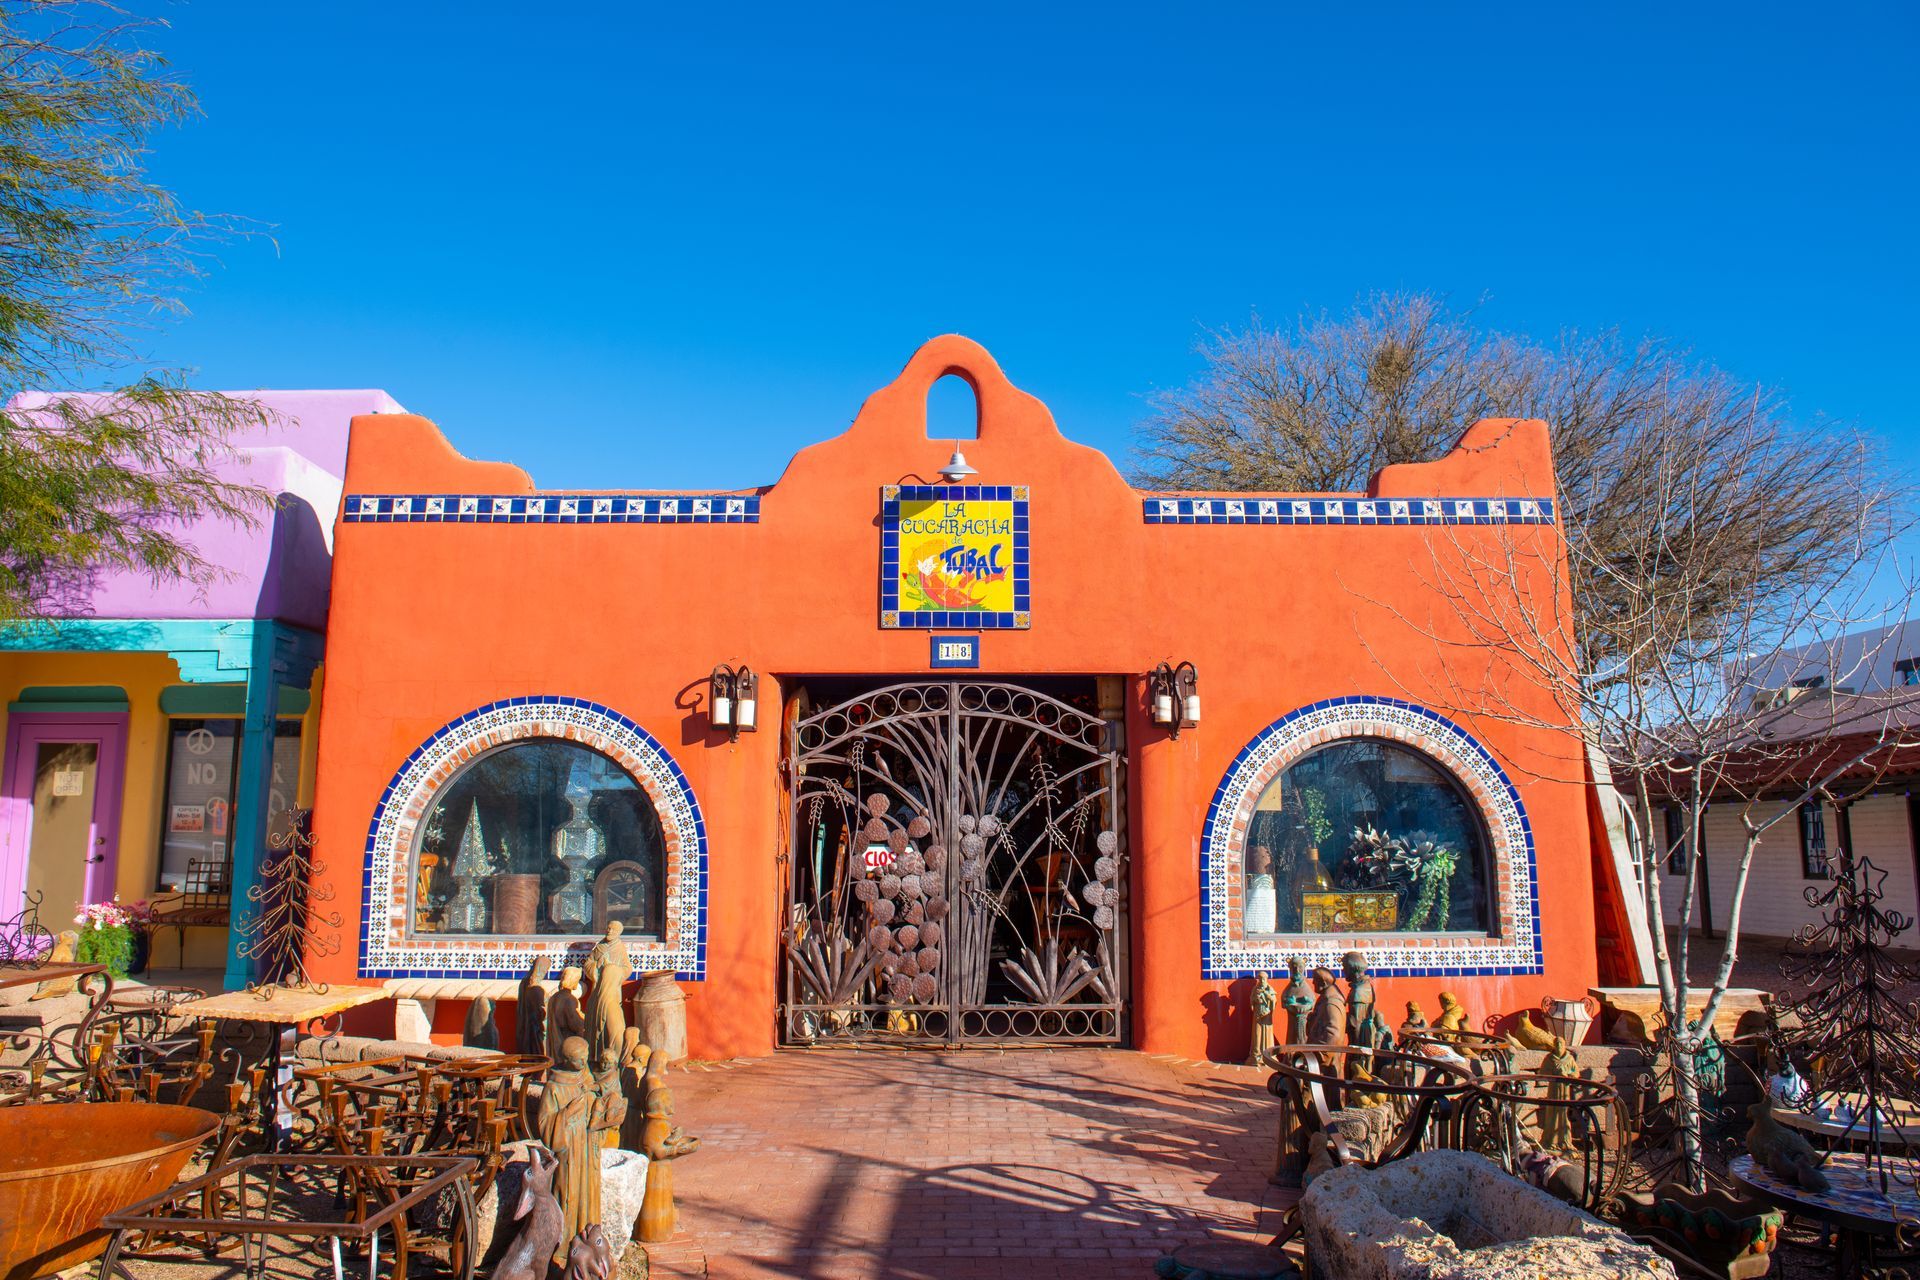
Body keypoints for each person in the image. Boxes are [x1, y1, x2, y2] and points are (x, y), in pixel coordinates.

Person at [536, 1036, 627, 1256]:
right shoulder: (554, 1087)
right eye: (579, 1060)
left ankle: (591, 1240)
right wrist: (567, 1115)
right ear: (567, 1060)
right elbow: (544, 1125)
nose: (585, 1062)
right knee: (568, 1193)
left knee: (590, 1194)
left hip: (589, 1146)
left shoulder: (586, 1076)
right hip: (570, 1153)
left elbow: (604, 1093)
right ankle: (563, 1249)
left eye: (585, 1057)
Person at [583, 922, 631, 1065]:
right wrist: (597, 967)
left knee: (610, 1019)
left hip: (612, 988)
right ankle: (595, 1054)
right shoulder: (600, 946)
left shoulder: (620, 948)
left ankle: (609, 1056)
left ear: (618, 932)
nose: (609, 931)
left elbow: (627, 968)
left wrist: (612, 970)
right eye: (608, 928)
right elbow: (588, 963)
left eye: (613, 929)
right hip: (598, 988)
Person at [1342, 951, 1393, 1051]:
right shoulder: (1366, 985)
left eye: (1344, 967)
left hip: (1361, 1038)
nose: (1343, 970)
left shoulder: (1358, 991)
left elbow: (1355, 1023)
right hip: (1366, 1033)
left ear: (1351, 968)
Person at [1245, 972, 1276, 1067]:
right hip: (1258, 1014)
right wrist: (1255, 1000)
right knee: (1257, 1033)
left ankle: (1267, 1054)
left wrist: (1268, 996)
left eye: (1264, 979)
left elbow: (1274, 1000)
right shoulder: (1256, 989)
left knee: (1266, 1033)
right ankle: (1256, 1054)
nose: (1262, 981)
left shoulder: (1269, 989)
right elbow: (1252, 999)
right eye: (1260, 979)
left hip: (1266, 1014)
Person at [1280, 958, 1314, 1044]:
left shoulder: (1306, 987)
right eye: (1294, 968)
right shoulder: (1289, 988)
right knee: (1292, 1039)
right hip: (1292, 1020)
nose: (1297, 970)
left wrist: (1305, 1006)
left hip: (1305, 1021)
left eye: (1300, 967)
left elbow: (1312, 1002)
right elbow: (1284, 1001)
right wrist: (1290, 1004)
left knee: (1304, 1039)